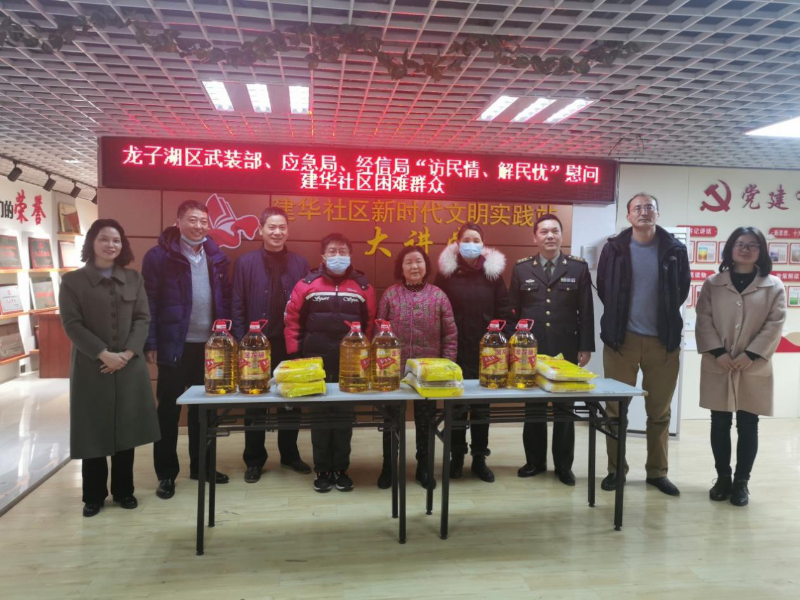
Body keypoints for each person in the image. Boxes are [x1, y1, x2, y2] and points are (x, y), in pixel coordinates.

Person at [60, 219, 160, 517]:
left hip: (129, 366)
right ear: (92, 242)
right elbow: (72, 324)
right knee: (92, 430)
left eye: (116, 240)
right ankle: (93, 495)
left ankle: (124, 491)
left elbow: (143, 318)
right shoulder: (73, 281)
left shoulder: (134, 278)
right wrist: (103, 354)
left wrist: (127, 354)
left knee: (126, 428)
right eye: (104, 239)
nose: (110, 245)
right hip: (92, 366)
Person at [597, 192, 690, 496]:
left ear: (657, 214)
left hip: (662, 342)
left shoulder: (675, 250)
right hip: (620, 341)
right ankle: (616, 470)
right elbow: (605, 289)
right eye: (637, 208)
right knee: (615, 411)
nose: (644, 212)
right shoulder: (614, 248)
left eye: (650, 207)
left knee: (659, 412)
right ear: (629, 216)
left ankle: (657, 473)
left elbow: (681, 290)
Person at [142, 200, 232, 500]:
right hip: (174, 345)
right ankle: (166, 474)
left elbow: (224, 298)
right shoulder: (159, 256)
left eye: (203, 221)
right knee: (168, 410)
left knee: (204, 410)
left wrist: (225, 339)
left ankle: (202, 467)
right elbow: (149, 301)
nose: (199, 226)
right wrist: (151, 342)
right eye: (192, 220)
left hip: (210, 347)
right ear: (178, 221)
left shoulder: (216, 256)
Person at [696, 227, 786, 507]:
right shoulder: (713, 283)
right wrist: (718, 352)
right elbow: (703, 318)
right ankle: (723, 478)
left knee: (748, 424)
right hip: (718, 362)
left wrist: (752, 354)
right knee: (720, 422)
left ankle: (741, 483)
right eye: (740, 244)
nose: (745, 249)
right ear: (730, 249)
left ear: (761, 251)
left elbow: (775, 324)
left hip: (753, 365)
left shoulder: (774, 285)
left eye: (752, 245)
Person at [284, 233, 376, 493]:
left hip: (350, 364)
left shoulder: (363, 287)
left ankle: (342, 469)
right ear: (323, 256)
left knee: (345, 416)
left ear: (350, 255)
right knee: (320, 417)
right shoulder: (306, 284)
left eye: (343, 251)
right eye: (332, 251)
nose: (338, 256)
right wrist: (295, 355)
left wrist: (364, 358)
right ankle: (323, 469)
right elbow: (292, 320)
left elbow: (370, 324)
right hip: (316, 362)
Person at [510, 213, 594, 486]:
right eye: (544, 231)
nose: (550, 236)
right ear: (535, 237)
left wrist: (586, 347)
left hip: (566, 347)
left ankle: (563, 466)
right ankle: (534, 461)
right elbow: (513, 312)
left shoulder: (578, 268)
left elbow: (586, 310)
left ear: (561, 235)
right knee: (533, 407)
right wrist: (513, 349)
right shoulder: (522, 269)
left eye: (555, 231)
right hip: (530, 349)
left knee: (564, 409)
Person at [231, 207, 311, 483]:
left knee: (291, 399)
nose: (277, 232)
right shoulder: (245, 263)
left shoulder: (300, 263)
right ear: (261, 231)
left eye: (282, 227)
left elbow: (307, 304)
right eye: (271, 227)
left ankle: (289, 454)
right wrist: (241, 342)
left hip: (289, 344)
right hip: (255, 346)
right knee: (255, 402)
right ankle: (254, 460)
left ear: (287, 230)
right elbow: (237, 304)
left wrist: (302, 342)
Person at [435, 222, 513, 483]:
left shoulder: (492, 274)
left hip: (487, 353)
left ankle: (479, 457)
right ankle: (456, 456)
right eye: (466, 239)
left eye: (476, 239)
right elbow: (437, 311)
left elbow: (504, 310)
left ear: (483, 244)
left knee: (481, 408)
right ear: (457, 243)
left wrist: (502, 345)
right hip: (455, 350)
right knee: (455, 406)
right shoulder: (446, 274)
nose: (471, 244)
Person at [376, 246, 457, 490]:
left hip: (428, 372)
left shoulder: (439, 296)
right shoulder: (390, 295)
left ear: (426, 266)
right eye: (408, 262)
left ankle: (424, 467)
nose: (414, 266)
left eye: (419, 261)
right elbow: (379, 334)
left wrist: (447, 366)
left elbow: (450, 335)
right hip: (393, 370)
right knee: (391, 421)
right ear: (400, 268)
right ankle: (389, 467)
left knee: (426, 422)